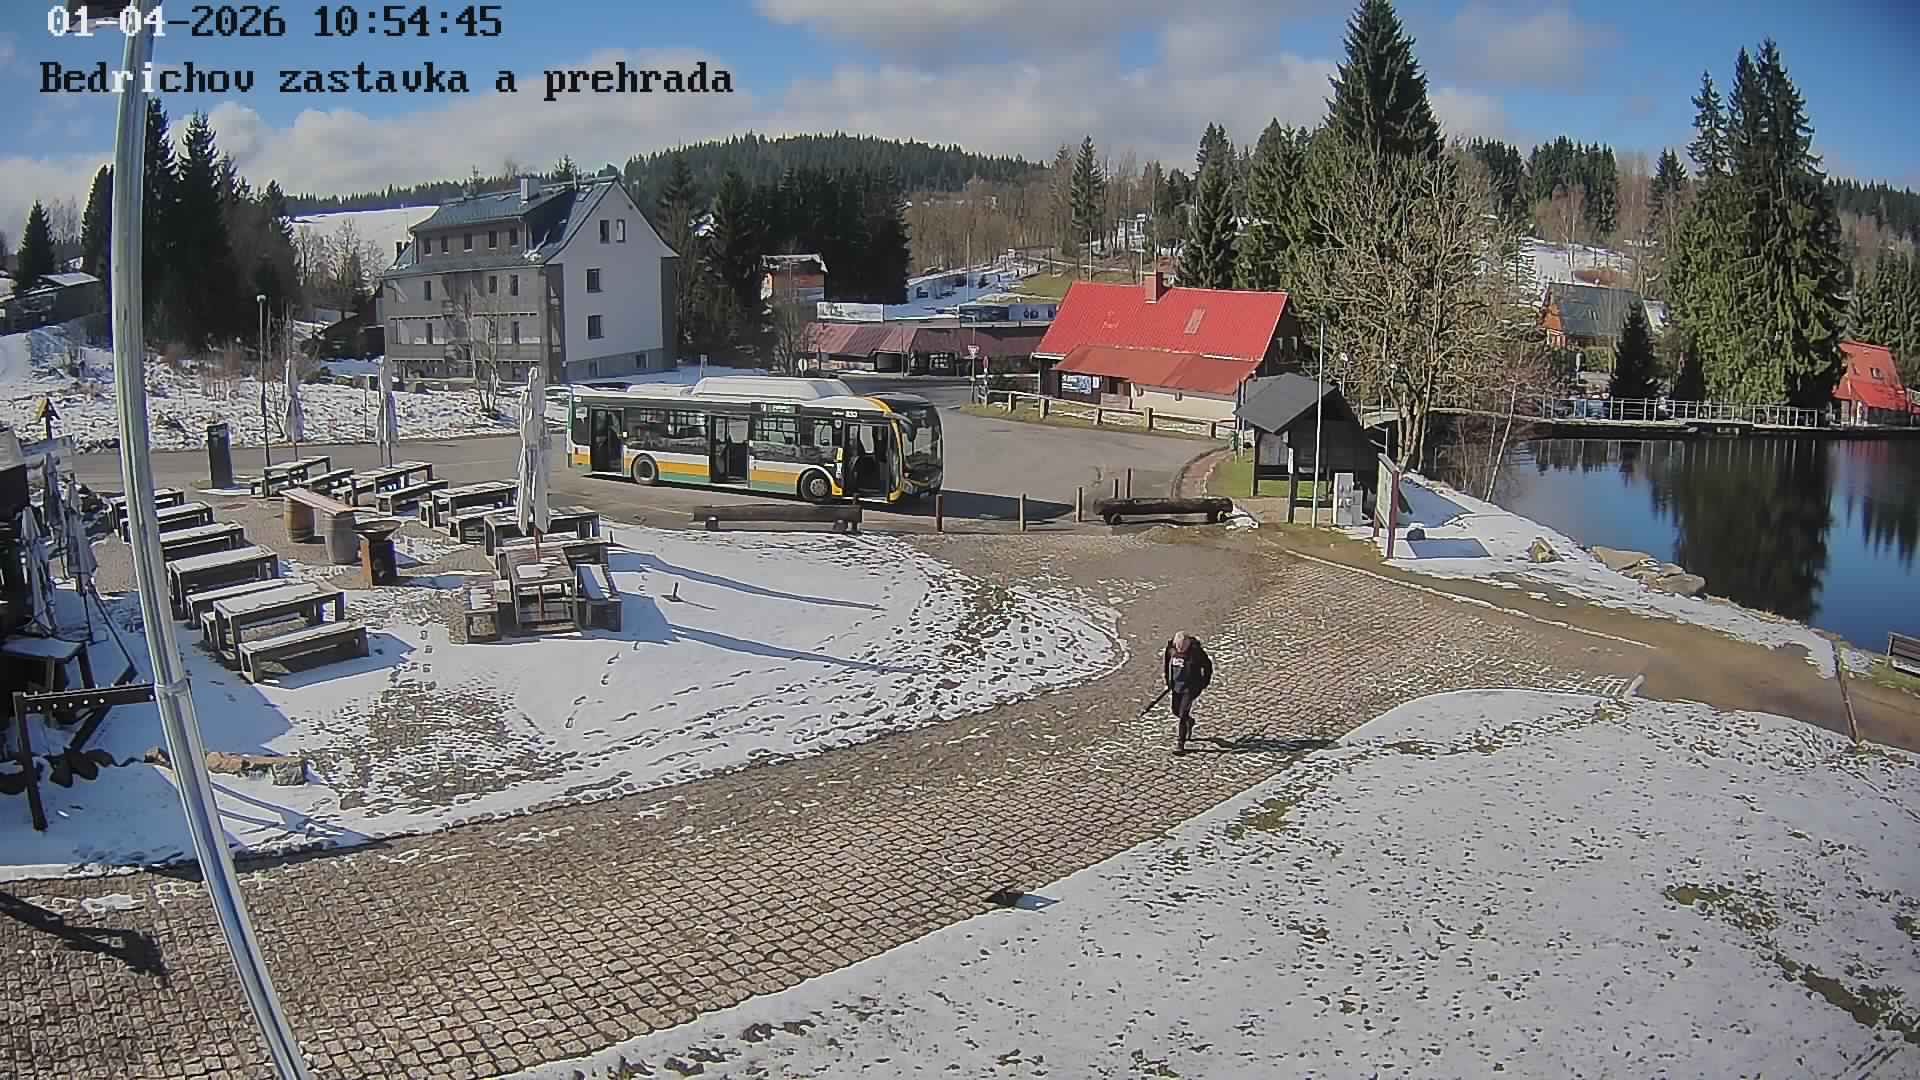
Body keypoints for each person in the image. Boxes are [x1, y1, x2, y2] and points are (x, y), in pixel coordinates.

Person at [1164, 630, 1213, 753]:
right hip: (1177, 686)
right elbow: (1167, 666)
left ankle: (1180, 743)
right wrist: (1169, 681)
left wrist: (1203, 683)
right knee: (1175, 711)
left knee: (1183, 714)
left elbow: (1208, 666)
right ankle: (1189, 722)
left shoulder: (1196, 652)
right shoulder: (1170, 649)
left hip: (1190, 687)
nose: (1180, 650)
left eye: (1183, 648)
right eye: (1178, 647)